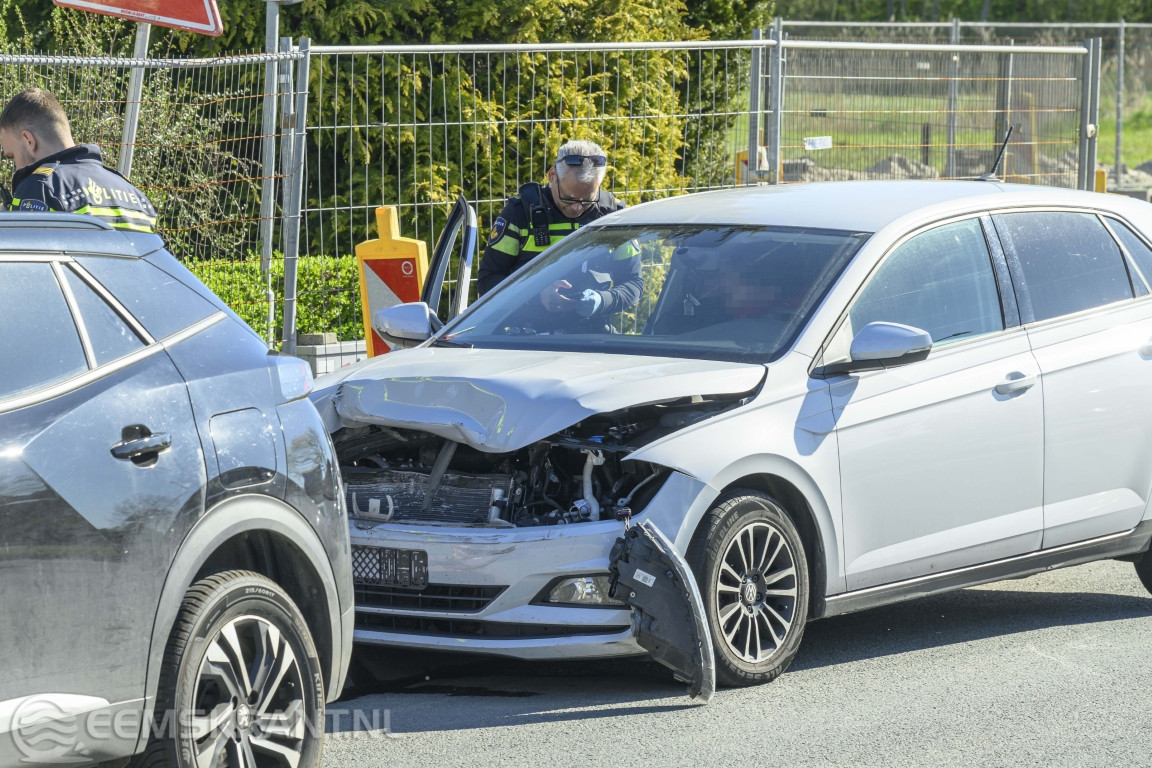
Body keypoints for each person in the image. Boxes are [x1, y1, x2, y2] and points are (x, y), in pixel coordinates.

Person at [477, 139, 641, 319]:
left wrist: (603, 300)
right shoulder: (519, 215)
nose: (576, 208)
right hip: (525, 331)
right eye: (569, 199)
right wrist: (535, 296)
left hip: (592, 332)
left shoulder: (613, 217)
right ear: (552, 175)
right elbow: (487, 282)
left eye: (587, 200)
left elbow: (633, 284)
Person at [0, 88, 158, 233]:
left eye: (12, 156)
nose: (15, 166)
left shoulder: (41, 188)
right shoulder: (136, 196)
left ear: (29, 140)